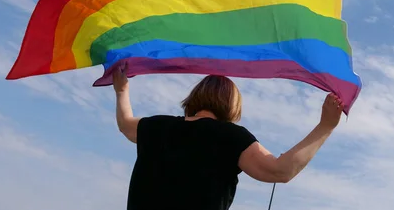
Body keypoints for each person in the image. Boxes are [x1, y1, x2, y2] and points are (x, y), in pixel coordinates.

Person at [112, 63, 344, 210]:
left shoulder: (156, 126)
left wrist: (122, 90)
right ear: (233, 106)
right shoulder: (232, 137)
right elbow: (279, 171)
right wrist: (326, 126)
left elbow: (125, 124)